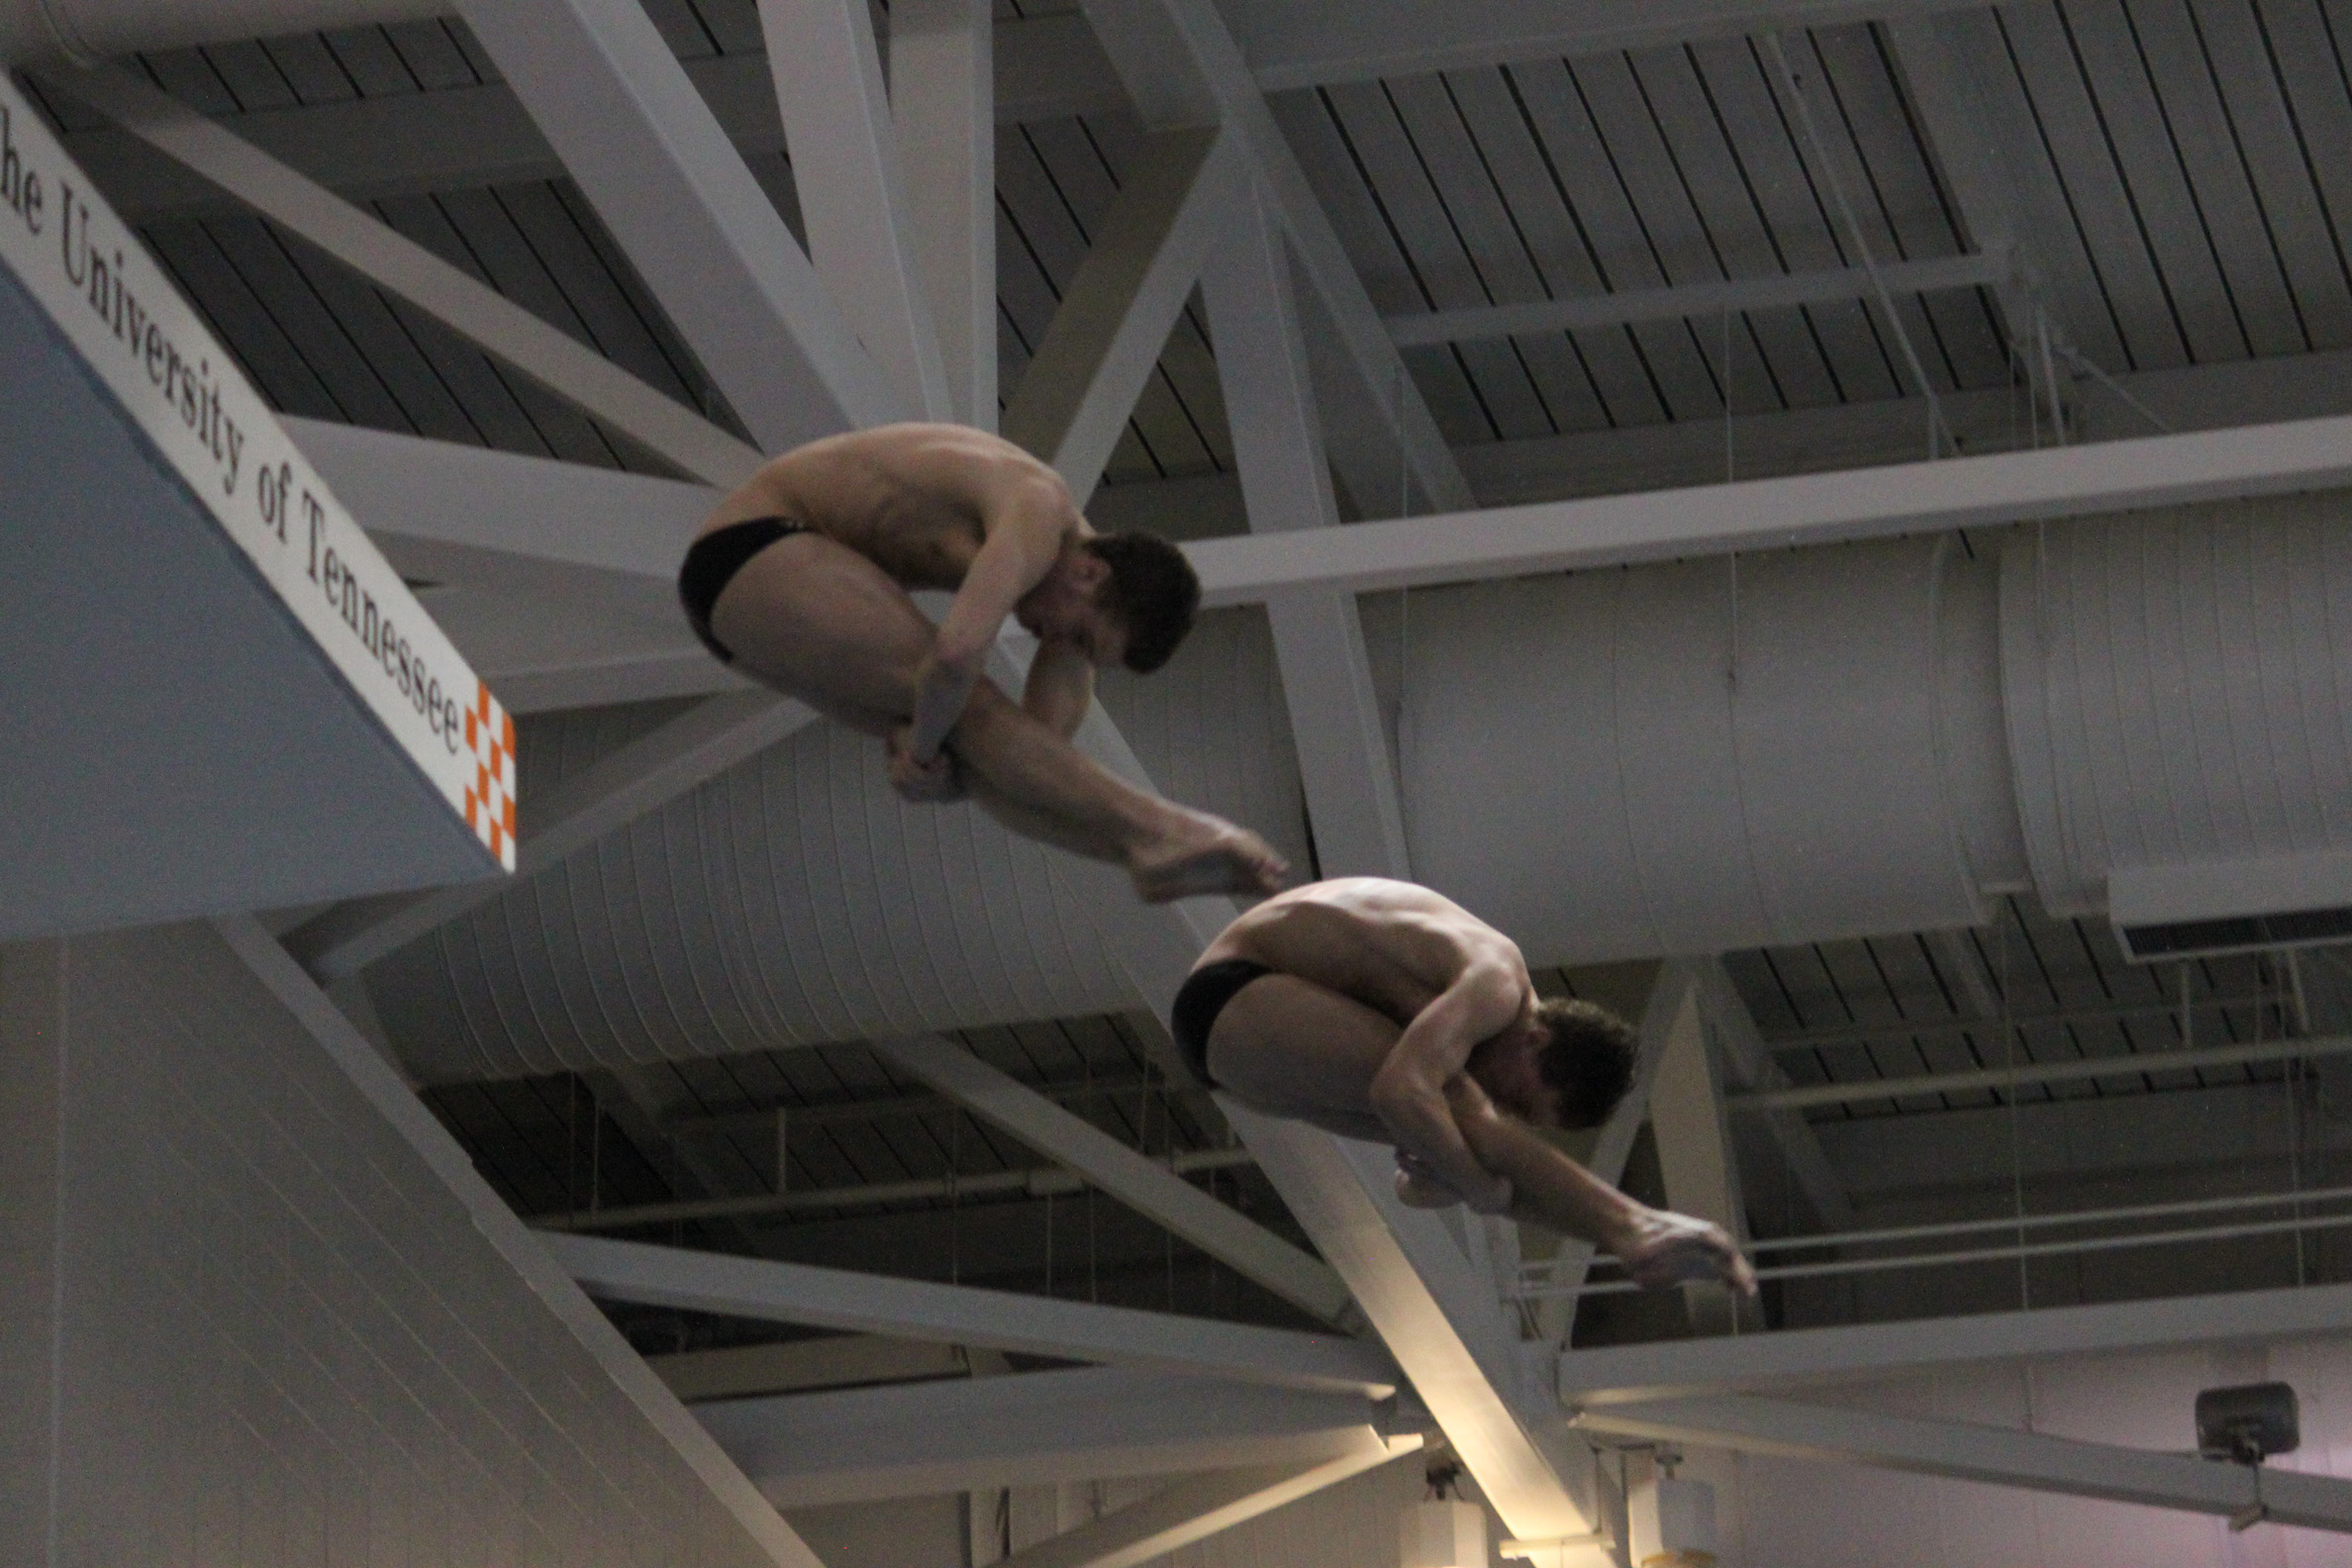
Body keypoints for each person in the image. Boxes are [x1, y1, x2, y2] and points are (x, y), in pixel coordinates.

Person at [678, 423, 1288, 903]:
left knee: (981, 742)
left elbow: (1022, 768)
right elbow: (955, 655)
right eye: (1076, 633)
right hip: (753, 545)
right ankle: (1168, 830)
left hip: (742, 619)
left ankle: (1147, 857)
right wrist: (920, 749)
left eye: (1081, 650)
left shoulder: (1071, 625)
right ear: (1087, 572)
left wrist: (939, 783)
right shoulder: (1037, 505)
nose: (1058, 643)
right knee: (967, 698)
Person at [1173, 877, 1757, 1294]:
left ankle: (1629, 1240)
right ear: (1535, 1039)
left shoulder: (1451, 1035)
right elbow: (1397, 1095)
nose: (1505, 1104)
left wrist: (1465, 1178)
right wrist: (1475, 1180)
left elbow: (1413, 1189)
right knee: (1459, 1111)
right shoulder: (1496, 981)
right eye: (1519, 1097)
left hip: (1239, 1061)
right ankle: (1632, 1224)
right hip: (1235, 988)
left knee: (1464, 1127)